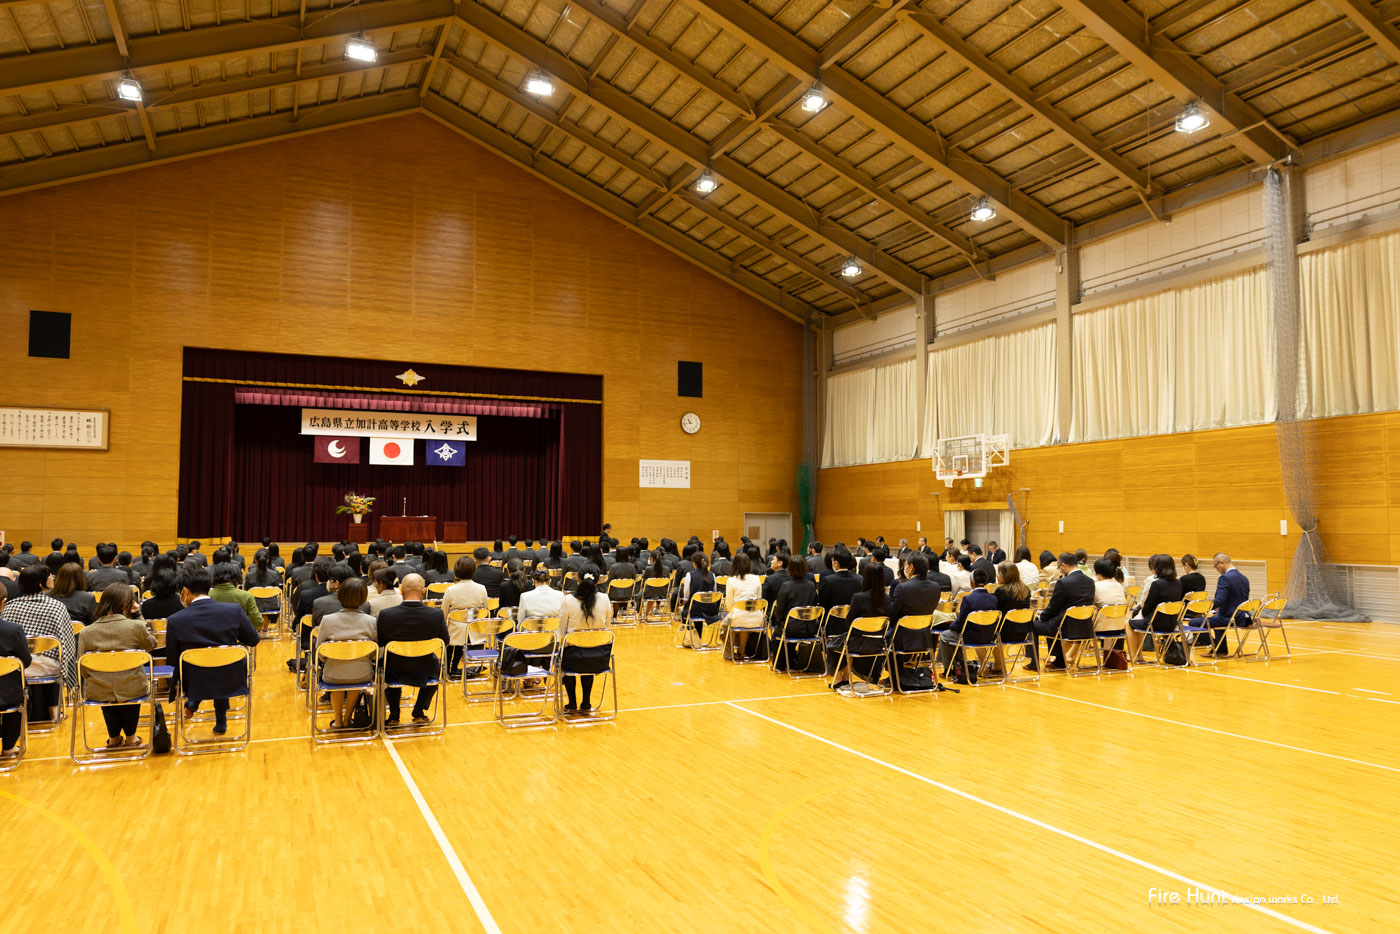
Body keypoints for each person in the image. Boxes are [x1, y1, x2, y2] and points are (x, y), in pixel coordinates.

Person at [166, 566, 260, 734]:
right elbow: (253, 640)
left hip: (194, 680)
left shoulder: (175, 620)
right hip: (231, 677)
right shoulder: (234, 611)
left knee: (205, 668)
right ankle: (221, 720)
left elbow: (173, 660)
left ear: (185, 591)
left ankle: (193, 704)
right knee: (221, 665)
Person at [75, 584, 156, 748]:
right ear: (127, 605)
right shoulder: (136, 626)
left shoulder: (86, 632)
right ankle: (131, 738)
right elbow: (151, 644)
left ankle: (113, 738)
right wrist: (138, 615)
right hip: (133, 686)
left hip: (98, 689)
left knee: (105, 689)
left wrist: (94, 679)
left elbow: (82, 665)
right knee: (131, 685)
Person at [375, 574, 449, 725]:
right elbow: (445, 641)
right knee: (437, 666)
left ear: (401, 590)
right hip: (425, 668)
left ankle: (394, 715)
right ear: (424, 591)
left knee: (385, 661)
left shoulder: (386, 615)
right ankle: (419, 711)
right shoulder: (436, 614)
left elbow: (381, 642)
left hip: (393, 669)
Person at [316, 579, 377, 729]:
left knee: (336, 679)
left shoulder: (327, 620)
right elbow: (375, 651)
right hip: (362, 674)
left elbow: (319, 650)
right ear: (363, 598)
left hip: (332, 674)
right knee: (355, 675)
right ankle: (348, 718)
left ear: (340, 595)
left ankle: (338, 719)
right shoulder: (371, 621)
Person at [1029, 552, 1095, 672]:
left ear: (1064, 566)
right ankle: (1059, 661)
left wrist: (1041, 616)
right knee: (1050, 622)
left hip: (1065, 626)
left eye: (1059, 568)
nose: (1059, 571)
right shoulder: (1090, 581)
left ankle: (1034, 663)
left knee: (1032, 625)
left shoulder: (1064, 583)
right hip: (1084, 626)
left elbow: (1053, 606)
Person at [559, 568, 611, 714]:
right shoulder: (605, 599)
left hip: (573, 656)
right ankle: (586, 702)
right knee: (588, 660)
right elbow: (607, 627)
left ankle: (572, 703)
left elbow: (562, 629)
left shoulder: (568, 600)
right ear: (597, 582)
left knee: (565, 656)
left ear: (578, 580)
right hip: (599, 656)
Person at [1127, 554, 1185, 661]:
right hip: (1172, 624)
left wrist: (1142, 614)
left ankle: (1134, 655)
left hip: (1155, 623)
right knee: (1137, 623)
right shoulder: (1178, 583)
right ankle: (1138, 656)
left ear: (1158, 567)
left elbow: (1148, 606)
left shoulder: (1157, 584)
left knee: (1129, 624)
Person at [938, 567, 997, 669]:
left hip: (971, 637)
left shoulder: (968, 599)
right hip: (989, 636)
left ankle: (948, 669)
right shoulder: (994, 598)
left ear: (972, 582)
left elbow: (960, 624)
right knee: (954, 634)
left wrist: (950, 625)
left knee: (945, 635)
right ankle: (959, 665)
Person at [442, 556, 488, 678]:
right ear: (474, 570)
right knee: (459, 635)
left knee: (452, 634)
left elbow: (444, 613)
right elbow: (485, 611)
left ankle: (447, 668)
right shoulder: (482, 588)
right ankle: (454, 667)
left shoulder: (450, 590)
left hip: (455, 631)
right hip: (475, 629)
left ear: (456, 571)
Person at [0, 588, 31, 754]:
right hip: (8, 693)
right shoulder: (13, 630)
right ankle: (9, 746)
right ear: (3, 602)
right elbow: (25, 661)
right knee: (23, 697)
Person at [1205, 553, 1250, 656]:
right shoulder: (1244, 578)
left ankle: (1217, 646)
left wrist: (1204, 607)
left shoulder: (1225, 578)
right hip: (1243, 617)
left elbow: (1219, 600)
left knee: (1194, 623)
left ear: (1221, 563)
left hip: (1230, 617)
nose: (1216, 569)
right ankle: (1220, 648)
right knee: (1217, 618)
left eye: (1215, 566)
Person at [722, 552, 764, 659]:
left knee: (727, 623)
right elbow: (759, 599)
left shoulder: (731, 580)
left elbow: (729, 604)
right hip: (757, 618)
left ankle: (730, 653)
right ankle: (742, 651)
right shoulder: (756, 578)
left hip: (738, 617)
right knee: (744, 621)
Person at [209, 562, 264, 632]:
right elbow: (258, 623)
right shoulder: (246, 596)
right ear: (235, 576)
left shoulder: (207, 595)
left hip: (213, 637)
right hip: (239, 637)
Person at [889, 552, 942, 622]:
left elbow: (892, 614)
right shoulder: (936, 587)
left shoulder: (902, 588)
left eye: (906, 564)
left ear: (911, 567)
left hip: (904, 627)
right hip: (925, 627)